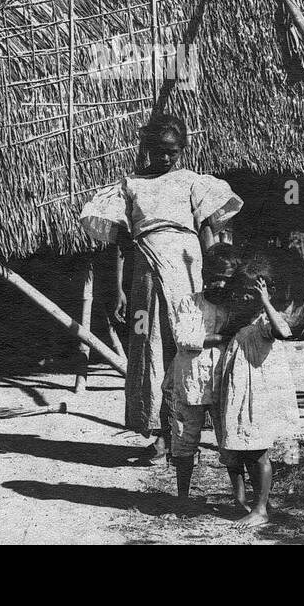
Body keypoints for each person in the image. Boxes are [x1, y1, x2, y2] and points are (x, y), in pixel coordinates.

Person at [79, 115, 242, 461]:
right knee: (151, 348)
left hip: (187, 272)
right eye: (159, 151)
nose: (166, 158)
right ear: (148, 150)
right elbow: (123, 244)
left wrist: (215, 274)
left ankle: (193, 435)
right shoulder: (131, 185)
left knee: (189, 345)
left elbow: (207, 233)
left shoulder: (191, 183)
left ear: (181, 151)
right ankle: (164, 435)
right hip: (146, 278)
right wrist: (121, 289)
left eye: (172, 152)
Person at [214, 265, 300, 526]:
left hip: (258, 398)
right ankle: (254, 502)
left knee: (257, 452)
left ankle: (260, 509)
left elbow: (283, 331)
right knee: (246, 450)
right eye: (241, 294)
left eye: (251, 295)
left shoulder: (264, 320)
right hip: (240, 396)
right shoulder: (240, 322)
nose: (243, 299)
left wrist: (265, 302)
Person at [166, 245, 239, 508]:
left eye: (226, 279)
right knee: (185, 440)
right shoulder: (188, 302)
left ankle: (239, 498)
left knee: (230, 442)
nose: (219, 284)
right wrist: (222, 338)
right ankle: (183, 499)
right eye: (214, 277)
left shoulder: (234, 307)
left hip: (224, 385)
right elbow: (184, 339)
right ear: (203, 274)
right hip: (190, 384)